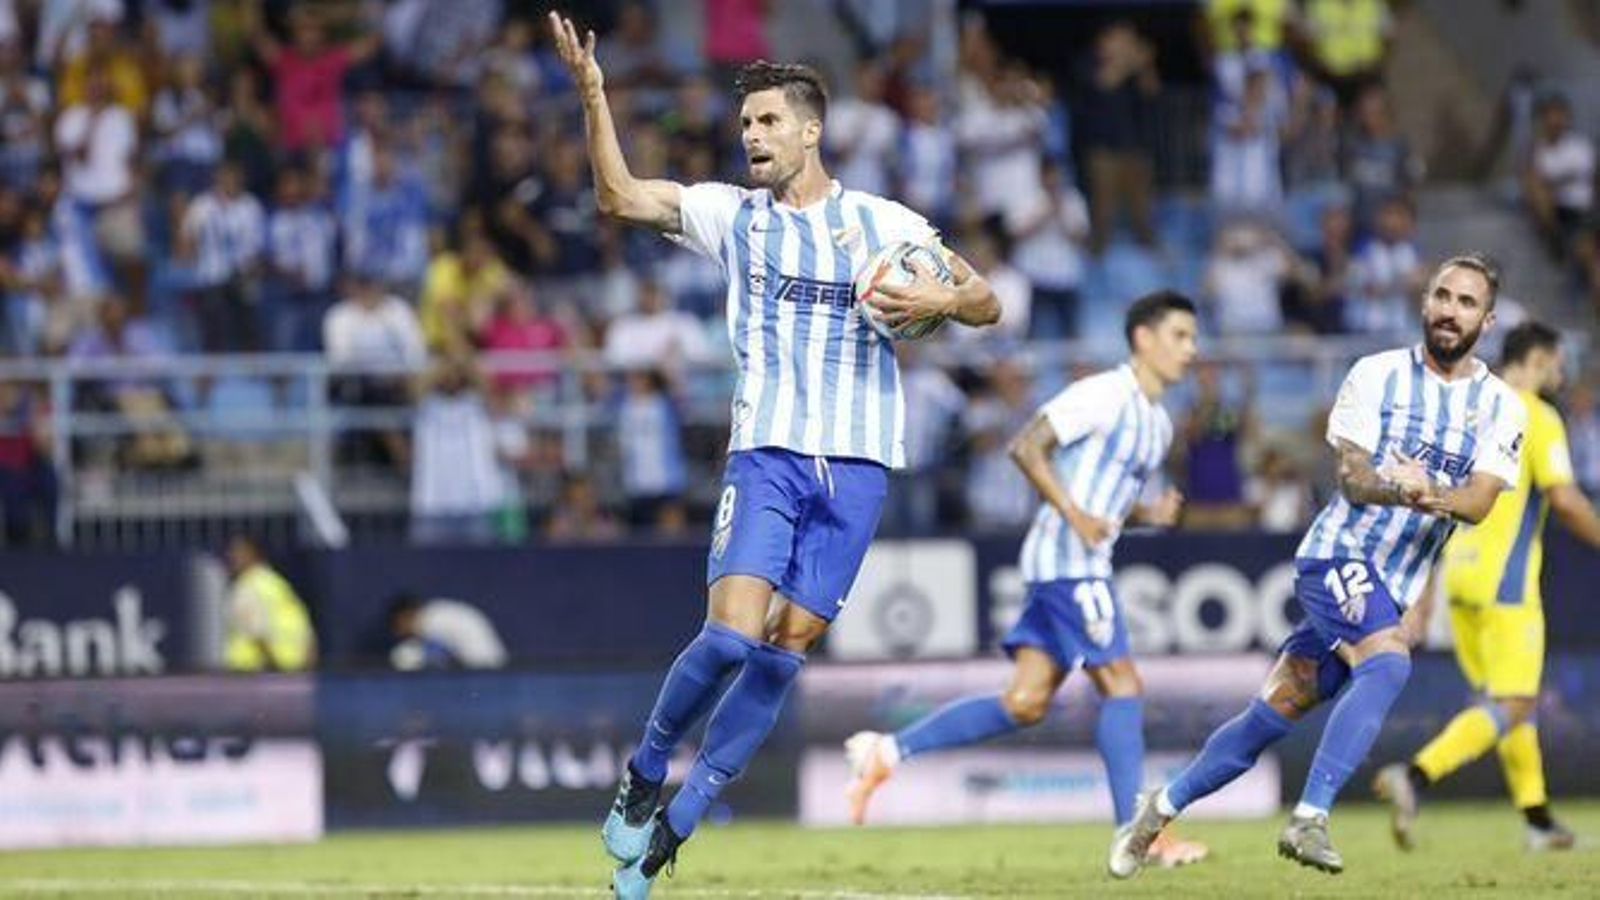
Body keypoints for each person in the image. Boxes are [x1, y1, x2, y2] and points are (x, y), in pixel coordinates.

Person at [547, 13, 1002, 897]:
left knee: (784, 653)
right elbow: (620, 197)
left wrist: (938, 301)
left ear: (809, 129)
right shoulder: (734, 218)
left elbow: (984, 300)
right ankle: (644, 775)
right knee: (728, 639)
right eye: (745, 123)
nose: (750, 136)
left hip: (861, 466)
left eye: (766, 122)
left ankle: (674, 832)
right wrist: (594, 94)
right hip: (768, 455)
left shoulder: (882, 224)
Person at [1109, 254, 1526, 878]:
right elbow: (1355, 479)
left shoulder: (1501, 407)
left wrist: (1431, 493)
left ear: (1486, 321)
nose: (1449, 310)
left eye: (1466, 302)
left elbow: (1480, 502)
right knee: (1388, 661)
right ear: (1424, 303)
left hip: (1393, 584)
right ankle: (1309, 818)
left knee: (1271, 715)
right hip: (1337, 554)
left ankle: (1157, 808)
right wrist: (1400, 488)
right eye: (1442, 295)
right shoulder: (1376, 374)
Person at [844, 291, 1208, 867]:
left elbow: (1105, 500)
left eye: (1192, 337)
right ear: (1144, 338)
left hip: (1071, 559)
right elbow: (1027, 446)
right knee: (1123, 685)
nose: (1191, 349)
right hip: (1069, 561)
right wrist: (1073, 513)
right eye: (1180, 336)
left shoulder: (1157, 424)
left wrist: (1145, 514)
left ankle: (886, 751)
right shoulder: (1104, 393)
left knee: (1026, 702)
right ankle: (1136, 833)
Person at [1373, 321, 1600, 851]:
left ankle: (1538, 820)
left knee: (1505, 705)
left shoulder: (1473, 411)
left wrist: (1427, 593)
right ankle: (1416, 775)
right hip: (1508, 582)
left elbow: (1442, 504)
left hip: (1459, 576)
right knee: (1516, 702)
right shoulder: (1538, 416)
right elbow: (1565, 500)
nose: (1562, 373)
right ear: (1539, 358)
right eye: (1558, 362)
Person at [223, 535, 316, 672]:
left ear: (254, 553)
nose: (232, 557)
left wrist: (275, 667)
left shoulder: (248, 586)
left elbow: (256, 632)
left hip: (255, 673)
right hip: (287, 671)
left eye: (238, 552)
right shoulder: (276, 583)